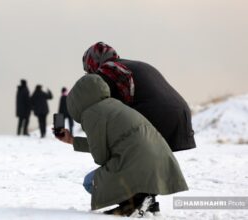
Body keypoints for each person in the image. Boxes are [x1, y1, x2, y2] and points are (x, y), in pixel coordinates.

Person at [56, 74, 188, 216]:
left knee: (90, 182)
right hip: (159, 163)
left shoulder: (91, 114)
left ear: (77, 101)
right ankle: (148, 202)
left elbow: (101, 157)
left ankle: (134, 203)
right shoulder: (115, 104)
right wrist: (72, 140)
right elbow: (116, 143)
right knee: (128, 163)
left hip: (137, 164)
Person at [82, 42, 196, 152]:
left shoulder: (107, 71)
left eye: (87, 70)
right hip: (182, 115)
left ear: (92, 63)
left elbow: (103, 111)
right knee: (156, 161)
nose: (88, 74)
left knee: (123, 152)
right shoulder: (136, 64)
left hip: (156, 115)